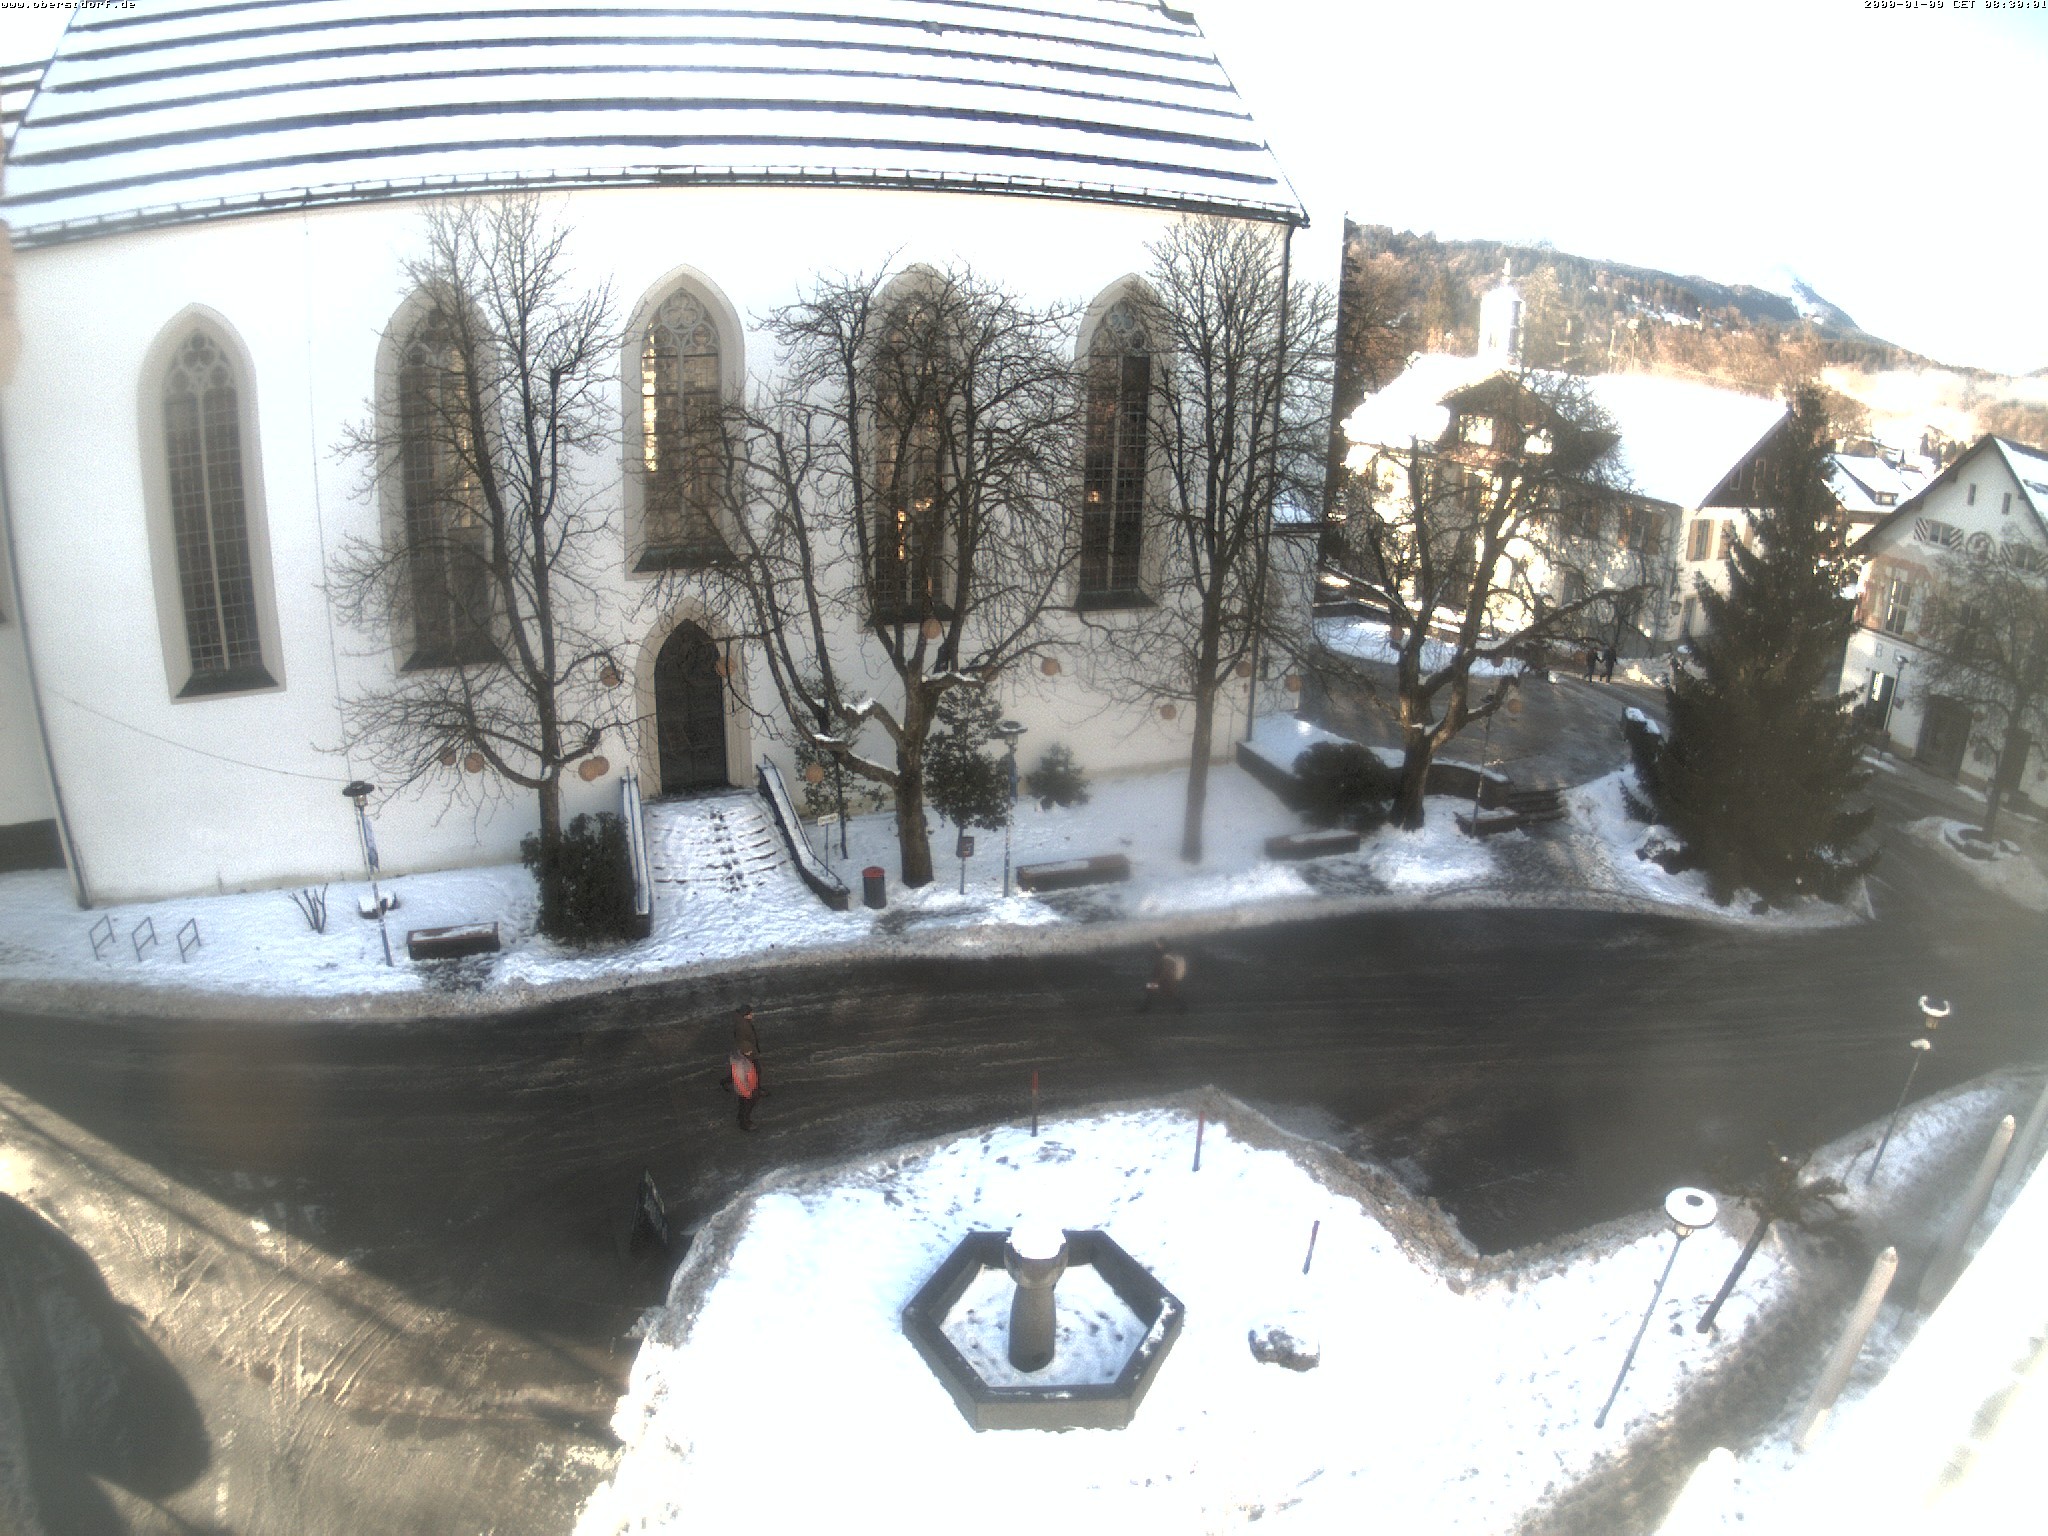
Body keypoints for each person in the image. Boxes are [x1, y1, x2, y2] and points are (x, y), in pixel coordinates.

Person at [730, 1004, 763, 1131]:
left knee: (746, 1102)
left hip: (750, 1084)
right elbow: (740, 1080)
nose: (752, 1015)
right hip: (747, 1089)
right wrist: (749, 1092)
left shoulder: (743, 1059)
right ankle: (744, 1122)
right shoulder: (741, 1064)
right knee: (746, 1104)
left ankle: (743, 1119)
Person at [1142, 941, 1188, 1014]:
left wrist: (1157, 980)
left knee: (1170, 993)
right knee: (1151, 990)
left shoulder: (1166, 957)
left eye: (1158, 944)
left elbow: (1165, 971)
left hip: (1166, 980)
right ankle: (1145, 1007)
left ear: (1162, 945)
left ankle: (1183, 1006)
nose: (1156, 945)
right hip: (1166, 979)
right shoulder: (1164, 953)